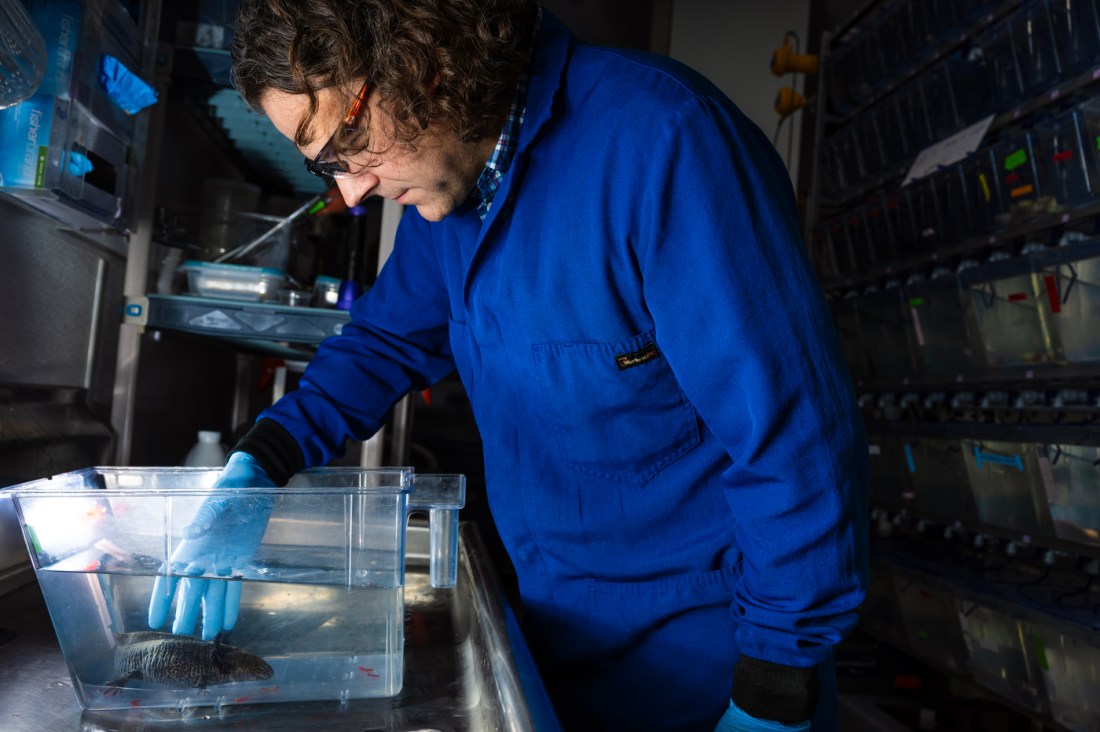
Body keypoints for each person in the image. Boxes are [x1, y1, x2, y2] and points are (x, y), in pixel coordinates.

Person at [150, 1, 869, 729]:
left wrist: (776, 683)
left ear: (423, 59)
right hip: (555, 631)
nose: (350, 192)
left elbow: (793, 436)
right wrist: (261, 464)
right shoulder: (456, 192)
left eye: (348, 141)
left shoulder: (663, 141)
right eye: (326, 167)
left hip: (713, 661)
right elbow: (382, 344)